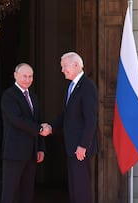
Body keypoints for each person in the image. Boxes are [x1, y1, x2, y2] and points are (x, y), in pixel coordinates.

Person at [43, 52, 99, 203]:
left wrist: (83, 145)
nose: (62, 70)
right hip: (72, 146)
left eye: (64, 66)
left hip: (80, 148)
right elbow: (66, 116)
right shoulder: (72, 86)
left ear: (75, 65)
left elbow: (91, 119)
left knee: (81, 190)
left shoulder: (87, 86)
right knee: (75, 189)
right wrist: (51, 127)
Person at [0, 63, 50, 203]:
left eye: (30, 76)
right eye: (24, 76)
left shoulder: (33, 96)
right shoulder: (9, 95)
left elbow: (38, 120)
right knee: (10, 193)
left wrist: (40, 148)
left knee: (27, 193)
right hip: (14, 153)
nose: (27, 79)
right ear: (15, 76)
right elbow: (17, 120)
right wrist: (40, 129)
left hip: (31, 153)